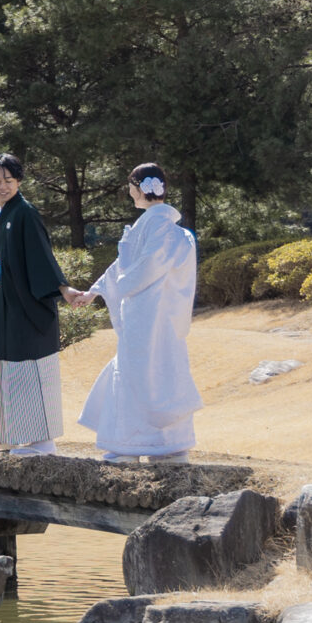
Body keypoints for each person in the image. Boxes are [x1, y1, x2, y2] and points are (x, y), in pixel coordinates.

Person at [66, 162, 201, 462]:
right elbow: (124, 267)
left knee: (144, 375)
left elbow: (138, 271)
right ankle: (164, 444)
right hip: (158, 318)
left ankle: (137, 445)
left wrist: (120, 282)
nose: (129, 193)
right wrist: (95, 291)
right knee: (160, 373)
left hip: (148, 318)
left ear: (139, 189)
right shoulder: (165, 229)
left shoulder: (160, 229)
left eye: (130, 187)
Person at [0, 152, 67, 457]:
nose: (2, 186)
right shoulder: (6, 212)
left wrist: (62, 288)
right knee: (12, 368)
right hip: (11, 303)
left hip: (30, 306)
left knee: (30, 368)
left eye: (8, 180)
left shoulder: (25, 213)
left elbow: (42, 257)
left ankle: (43, 442)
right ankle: (9, 435)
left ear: (18, 181)